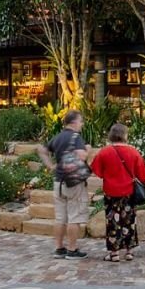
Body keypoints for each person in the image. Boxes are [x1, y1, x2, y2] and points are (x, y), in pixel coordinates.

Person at [89, 123, 145, 262]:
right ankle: (129, 251)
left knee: (112, 222)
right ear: (125, 135)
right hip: (129, 192)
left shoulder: (105, 151)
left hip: (111, 192)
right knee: (129, 220)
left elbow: (97, 170)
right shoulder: (133, 152)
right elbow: (143, 175)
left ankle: (114, 253)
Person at [38, 110, 90, 259]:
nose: (82, 124)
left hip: (58, 181)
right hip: (73, 182)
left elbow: (41, 150)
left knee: (60, 218)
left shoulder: (58, 137)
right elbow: (82, 155)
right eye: (80, 121)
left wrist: (50, 165)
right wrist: (88, 150)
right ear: (73, 122)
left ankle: (59, 248)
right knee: (74, 217)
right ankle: (72, 250)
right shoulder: (76, 137)